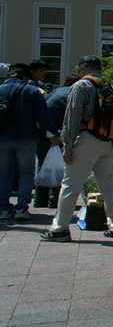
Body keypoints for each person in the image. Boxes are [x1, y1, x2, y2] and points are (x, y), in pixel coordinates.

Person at [42, 56, 113, 242]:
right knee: (109, 186)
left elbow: (72, 117)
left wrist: (68, 147)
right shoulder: (109, 86)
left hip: (87, 138)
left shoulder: (81, 86)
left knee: (71, 184)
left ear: (79, 69)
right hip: (107, 140)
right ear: (100, 69)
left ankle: (60, 228)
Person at [1, 63, 59, 224]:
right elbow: (44, 116)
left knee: (3, 175)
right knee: (26, 174)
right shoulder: (31, 91)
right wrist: (52, 134)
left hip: (2, 139)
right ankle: (21, 208)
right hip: (26, 138)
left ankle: (3, 209)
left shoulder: (0, 90)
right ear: (25, 77)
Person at [35, 72, 76, 209]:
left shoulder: (57, 91)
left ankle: (39, 200)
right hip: (54, 132)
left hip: (42, 131)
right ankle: (54, 200)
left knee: (44, 165)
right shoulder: (72, 94)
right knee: (59, 166)